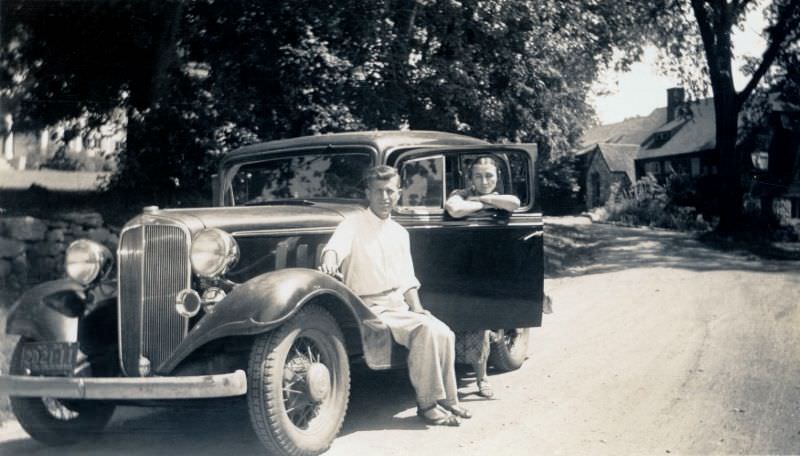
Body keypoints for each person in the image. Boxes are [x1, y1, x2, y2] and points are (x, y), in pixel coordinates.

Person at [319, 165, 470, 427]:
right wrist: (330, 263)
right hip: (366, 306)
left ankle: (449, 401)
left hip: (397, 304)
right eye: (378, 191)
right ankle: (428, 405)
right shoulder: (352, 224)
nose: (384, 197)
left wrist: (418, 307)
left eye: (390, 191)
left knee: (443, 331)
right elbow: (333, 250)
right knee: (425, 331)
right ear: (368, 192)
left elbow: (407, 279)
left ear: (399, 193)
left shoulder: (400, 233)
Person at [444, 156, 521, 399]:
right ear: (470, 178)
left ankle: (481, 378)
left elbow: (513, 203)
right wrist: (485, 204)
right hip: (462, 261)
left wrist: (483, 199)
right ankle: (451, 378)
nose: (484, 180)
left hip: (490, 262)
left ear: (497, 176)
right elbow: (454, 208)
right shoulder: (460, 193)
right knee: (455, 319)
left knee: (480, 318)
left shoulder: (502, 194)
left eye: (489, 175)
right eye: (478, 176)